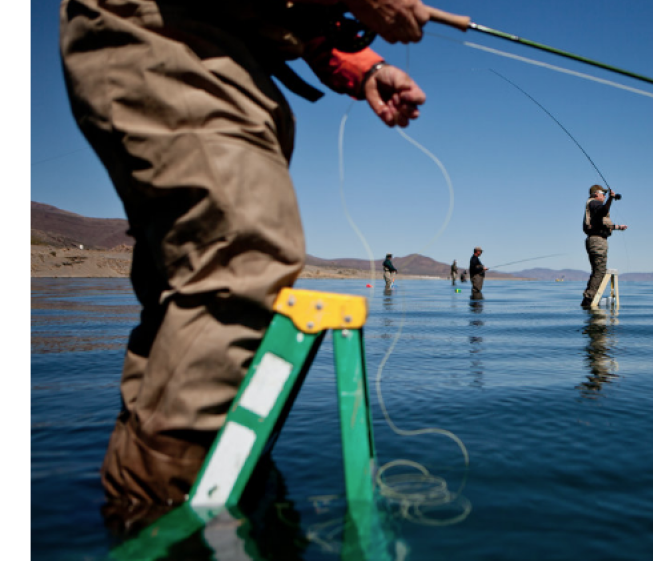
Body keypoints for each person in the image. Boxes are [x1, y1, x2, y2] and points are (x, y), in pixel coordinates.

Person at [59, 0, 432, 520]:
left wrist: (365, 66)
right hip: (168, 31)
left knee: (188, 291)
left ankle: (148, 495)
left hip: (230, 58)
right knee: (240, 258)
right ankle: (165, 518)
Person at [581, 185, 627, 307]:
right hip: (597, 241)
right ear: (596, 194)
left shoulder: (594, 207)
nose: (605, 196)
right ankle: (589, 301)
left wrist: (618, 227)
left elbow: (601, 225)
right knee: (600, 271)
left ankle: (589, 300)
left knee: (597, 271)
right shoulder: (594, 203)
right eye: (603, 193)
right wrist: (611, 199)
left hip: (596, 240)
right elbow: (603, 211)